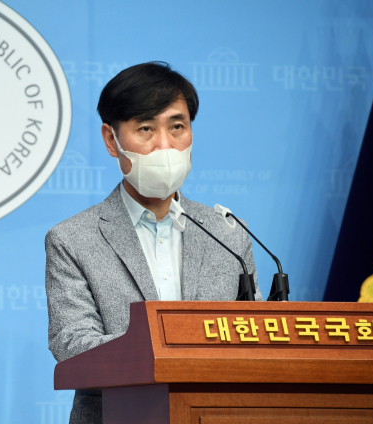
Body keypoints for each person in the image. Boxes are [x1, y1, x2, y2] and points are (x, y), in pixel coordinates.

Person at [45, 62, 261, 424]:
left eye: (177, 127)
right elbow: (72, 344)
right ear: (111, 140)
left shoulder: (228, 233)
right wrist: (170, 345)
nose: (165, 145)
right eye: (146, 128)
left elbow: (255, 334)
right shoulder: (72, 239)